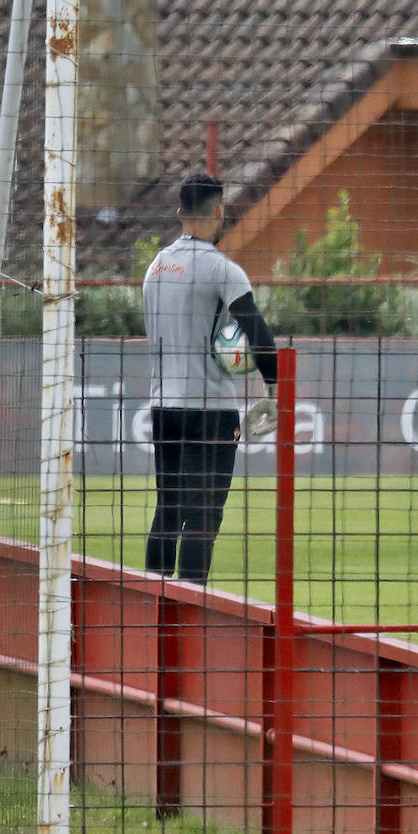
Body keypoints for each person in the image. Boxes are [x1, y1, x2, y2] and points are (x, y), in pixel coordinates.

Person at [142, 172, 280, 584]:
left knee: (168, 508)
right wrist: (275, 390)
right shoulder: (222, 269)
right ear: (218, 211)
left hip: (163, 405)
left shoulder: (155, 267)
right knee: (203, 515)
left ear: (180, 212)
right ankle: (193, 603)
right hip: (210, 409)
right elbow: (258, 334)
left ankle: (154, 607)